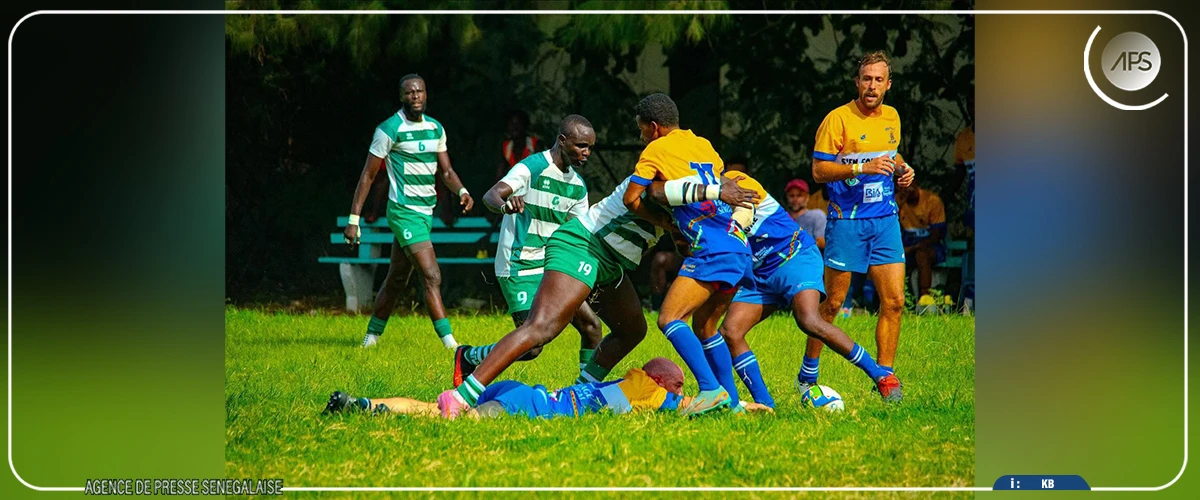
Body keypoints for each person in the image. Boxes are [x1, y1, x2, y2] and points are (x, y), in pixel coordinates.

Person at [437, 175, 758, 419]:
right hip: (583, 246)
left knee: (632, 329)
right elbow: (653, 192)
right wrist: (717, 189)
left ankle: (580, 390)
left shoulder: (691, 194)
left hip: (609, 262)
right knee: (541, 329)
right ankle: (462, 395)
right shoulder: (663, 171)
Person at [649, 172, 901, 408]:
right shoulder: (693, 201)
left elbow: (740, 217)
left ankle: (881, 376)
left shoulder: (737, 181)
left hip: (793, 255)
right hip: (759, 271)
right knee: (731, 331)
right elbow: (690, 246)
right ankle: (764, 403)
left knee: (809, 320)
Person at [622, 93, 755, 415]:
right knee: (706, 327)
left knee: (669, 318)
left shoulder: (655, 149)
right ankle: (733, 402)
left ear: (653, 127)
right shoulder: (703, 145)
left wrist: (662, 222)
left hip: (710, 248)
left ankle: (711, 390)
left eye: (641, 130)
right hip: (737, 243)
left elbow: (631, 198)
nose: (642, 137)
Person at [454, 115, 603, 386]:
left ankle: (585, 394)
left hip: (551, 269)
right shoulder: (532, 167)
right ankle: (468, 356)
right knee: (532, 346)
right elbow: (491, 195)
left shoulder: (578, 187)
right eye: (581, 146)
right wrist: (505, 205)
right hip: (518, 264)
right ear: (562, 141)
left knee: (591, 328)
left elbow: (579, 235)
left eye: (590, 148)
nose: (587, 153)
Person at [801, 52, 914, 402]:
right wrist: (860, 169)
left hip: (884, 220)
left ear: (888, 85)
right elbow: (819, 172)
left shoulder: (892, 116)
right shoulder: (838, 119)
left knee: (894, 301)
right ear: (857, 82)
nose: (872, 86)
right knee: (833, 303)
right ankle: (808, 374)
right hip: (847, 222)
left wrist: (903, 168)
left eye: (879, 80)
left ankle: (885, 379)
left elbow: (890, 155)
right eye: (867, 79)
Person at [343, 74, 474, 349]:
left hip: (425, 213)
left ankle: (371, 337)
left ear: (426, 94)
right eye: (409, 92)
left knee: (397, 278)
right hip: (403, 211)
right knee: (431, 274)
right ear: (401, 97)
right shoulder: (389, 129)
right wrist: (354, 219)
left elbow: (446, 171)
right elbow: (368, 175)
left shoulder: (436, 129)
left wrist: (461, 191)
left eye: (419, 91)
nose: (415, 96)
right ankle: (451, 345)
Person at [326, 358, 770, 419]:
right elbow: (703, 407)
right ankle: (374, 411)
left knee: (435, 404)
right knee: (449, 422)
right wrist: (747, 406)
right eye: (679, 383)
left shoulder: (632, 379)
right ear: (665, 384)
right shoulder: (652, 395)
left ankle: (364, 402)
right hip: (534, 407)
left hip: (523, 387)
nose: (682, 388)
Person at [899, 177, 947, 300]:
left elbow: (937, 235)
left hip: (930, 247)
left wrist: (914, 247)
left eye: (910, 187)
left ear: (916, 185)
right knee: (885, 256)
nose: (907, 191)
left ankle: (924, 298)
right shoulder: (897, 202)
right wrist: (898, 206)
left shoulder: (932, 201)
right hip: (906, 245)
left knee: (922, 255)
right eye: (903, 189)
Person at [951, 92, 975, 313]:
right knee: (975, 251)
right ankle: (969, 300)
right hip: (974, 208)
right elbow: (959, 173)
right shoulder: (965, 138)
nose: (973, 106)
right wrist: (945, 197)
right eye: (970, 102)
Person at [496, 109, 541, 180]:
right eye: (511, 124)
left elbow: (541, 170)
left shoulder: (534, 144)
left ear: (525, 126)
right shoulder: (506, 146)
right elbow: (499, 175)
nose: (514, 128)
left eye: (518, 124)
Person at [784, 178, 827, 251]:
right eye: (791, 196)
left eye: (799, 195)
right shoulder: (783, 219)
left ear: (807, 197)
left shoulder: (817, 215)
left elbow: (822, 242)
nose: (795, 199)